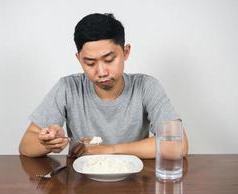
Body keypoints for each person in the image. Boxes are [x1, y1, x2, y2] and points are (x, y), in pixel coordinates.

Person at [19, 13, 188, 158]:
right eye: (90, 63)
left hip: (134, 183)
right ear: (79, 59)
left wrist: (109, 150)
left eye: (109, 60)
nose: (101, 72)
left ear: (126, 52)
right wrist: (49, 143)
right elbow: (25, 145)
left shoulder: (146, 87)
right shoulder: (68, 88)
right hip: (82, 185)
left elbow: (178, 144)